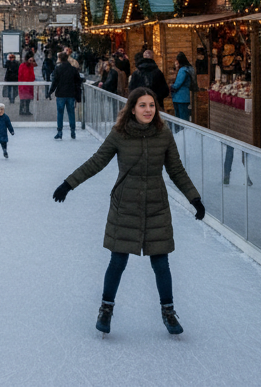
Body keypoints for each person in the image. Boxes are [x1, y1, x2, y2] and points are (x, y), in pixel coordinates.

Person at [52, 87, 205, 337]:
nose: (148, 110)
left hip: (156, 204)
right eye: (142, 105)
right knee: (118, 259)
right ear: (132, 108)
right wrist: (69, 183)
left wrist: (194, 198)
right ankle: (106, 309)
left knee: (161, 261)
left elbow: (176, 170)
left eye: (152, 105)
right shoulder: (119, 135)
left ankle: (168, 312)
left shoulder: (163, 134)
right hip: (125, 204)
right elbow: (96, 162)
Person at [47, 51, 82, 139]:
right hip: (71, 94)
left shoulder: (58, 69)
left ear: (60, 59)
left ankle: (59, 132)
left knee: (60, 113)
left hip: (61, 94)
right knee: (71, 113)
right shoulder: (73, 70)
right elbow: (78, 82)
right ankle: (73, 131)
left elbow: (54, 82)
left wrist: (50, 92)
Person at [170, 52, 195, 122]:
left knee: (181, 120)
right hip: (186, 96)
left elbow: (177, 85)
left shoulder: (183, 70)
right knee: (185, 118)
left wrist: (170, 87)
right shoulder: (190, 69)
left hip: (180, 98)